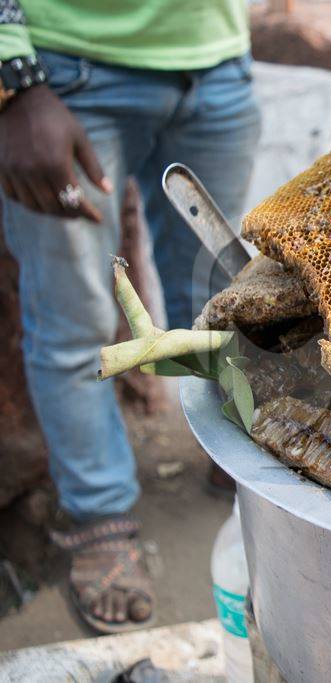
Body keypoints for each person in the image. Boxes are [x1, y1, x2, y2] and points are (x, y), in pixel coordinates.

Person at [0, 1, 259, 632]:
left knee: (227, 298)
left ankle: (235, 457)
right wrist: (14, 81)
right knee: (76, 319)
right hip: (64, 69)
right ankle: (98, 513)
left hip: (216, 60)